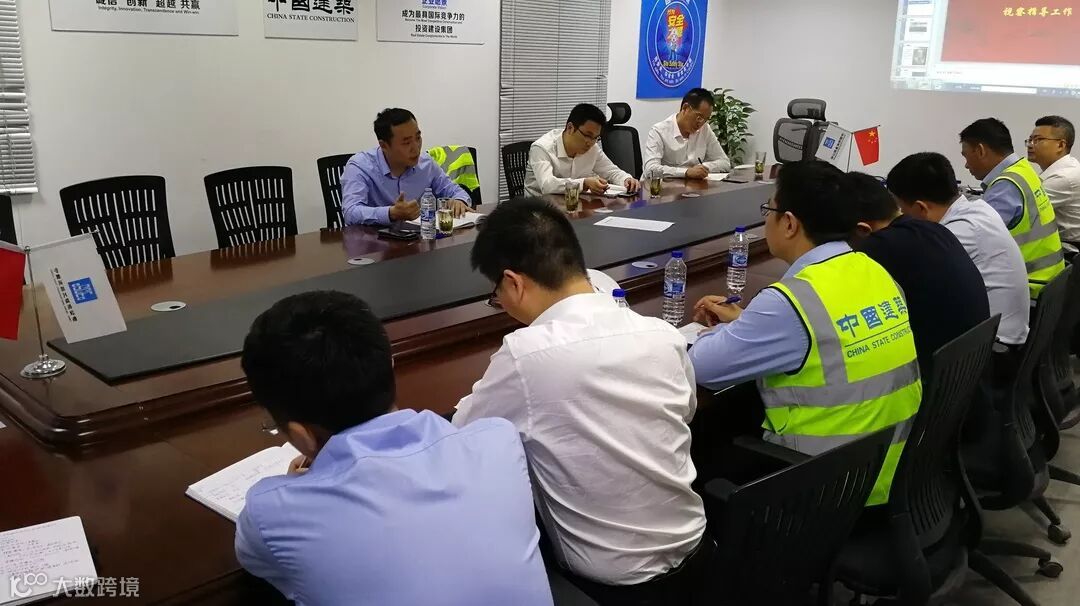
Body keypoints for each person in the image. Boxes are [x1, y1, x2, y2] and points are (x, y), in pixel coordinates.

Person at [453, 198, 710, 605]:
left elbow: (461, 439)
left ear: (514, 283)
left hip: (607, 588)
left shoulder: (526, 355)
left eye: (496, 294)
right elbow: (688, 410)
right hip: (698, 557)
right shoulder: (662, 334)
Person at [235, 291, 553, 606]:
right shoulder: (497, 441)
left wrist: (297, 485)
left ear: (301, 436)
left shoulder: (269, 513)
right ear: (389, 363)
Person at [688, 160, 922, 507]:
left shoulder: (791, 302)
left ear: (789, 223)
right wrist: (750, 324)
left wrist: (725, 330)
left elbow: (700, 366)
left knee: (702, 454)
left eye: (769, 210)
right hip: (891, 471)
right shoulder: (874, 271)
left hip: (824, 490)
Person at [845, 171, 990, 375]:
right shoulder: (935, 230)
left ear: (863, 230)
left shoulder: (880, 247)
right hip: (965, 372)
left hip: (930, 377)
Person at [887, 152, 1030, 347]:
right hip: (999, 334)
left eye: (901, 210)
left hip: (994, 347)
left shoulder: (957, 232)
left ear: (921, 208)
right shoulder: (980, 209)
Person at [959, 117, 1065, 297]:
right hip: (1051, 281)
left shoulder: (1006, 186)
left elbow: (973, 241)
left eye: (966, 155)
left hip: (1031, 286)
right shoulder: (1023, 170)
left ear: (981, 150)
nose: (966, 165)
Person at [340, 108, 472, 226]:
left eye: (418, 138)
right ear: (384, 145)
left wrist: (459, 201)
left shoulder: (426, 163)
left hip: (417, 240)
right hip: (373, 242)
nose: (416, 148)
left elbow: (454, 191)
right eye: (406, 143)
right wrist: (391, 213)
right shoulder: (360, 166)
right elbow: (351, 212)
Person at [524, 103, 640, 197]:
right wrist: (584, 183)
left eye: (596, 138)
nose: (590, 142)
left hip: (575, 205)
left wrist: (626, 179)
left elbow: (611, 172)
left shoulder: (593, 148)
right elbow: (547, 185)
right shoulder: (542, 148)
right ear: (570, 128)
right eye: (587, 135)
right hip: (540, 209)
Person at [643, 87, 732, 180]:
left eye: (705, 119)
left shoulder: (705, 129)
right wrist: (686, 172)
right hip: (664, 187)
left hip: (693, 186)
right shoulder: (659, 131)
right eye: (699, 117)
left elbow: (724, 162)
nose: (701, 123)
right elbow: (650, 169)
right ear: (685, 108)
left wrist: (704, 168)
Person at [1027, 115, 1080, 257]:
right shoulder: (1062, 169)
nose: (1030, 145)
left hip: (1070, 254)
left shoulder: (1064, 177)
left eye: (1038, 140)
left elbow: (1024, 211)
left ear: (1061, 145)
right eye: (1030, 140)